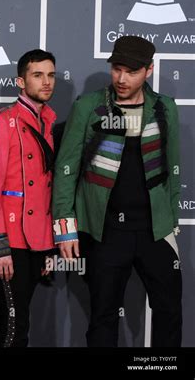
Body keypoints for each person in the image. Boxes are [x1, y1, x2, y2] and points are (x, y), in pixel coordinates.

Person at [52, 36, 182, 347]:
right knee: (103, 316)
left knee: (169, 313)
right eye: (117, 69)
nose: (122, 79)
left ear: (148, 71)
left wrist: (171, 221)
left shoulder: (164, 108)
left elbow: (173, 170)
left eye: (131, 71)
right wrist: (65, 228)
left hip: (156, 230)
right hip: (106, 230)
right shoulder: (88, 107)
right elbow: (65, 170)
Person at [0, 49, 57, 347]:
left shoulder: (47, 122)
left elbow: (46, 190)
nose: (46, 82)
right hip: (10, 240)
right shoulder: (1, 121)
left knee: (19, 317)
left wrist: (48, 245)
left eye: (51, 75)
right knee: (13, 320)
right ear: (20, 82)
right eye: (38, 75)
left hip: (36, 241)